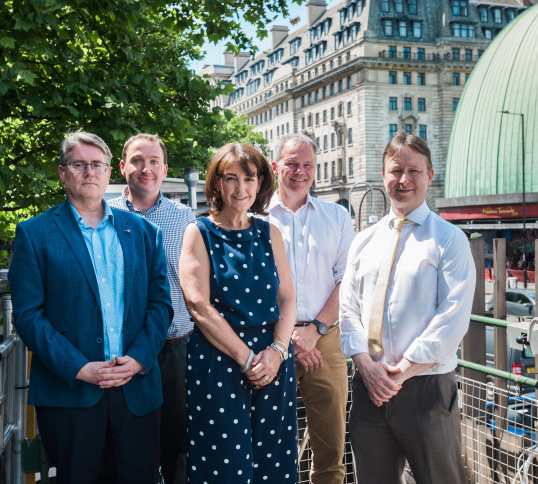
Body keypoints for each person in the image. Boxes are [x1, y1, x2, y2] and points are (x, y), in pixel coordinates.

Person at [9, 131, 173, 483]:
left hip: (136, 391)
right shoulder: (34, 234)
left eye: (97, 165)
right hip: (71, 393)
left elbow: (160, 305)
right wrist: (79, 367)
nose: (89, 172)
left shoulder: (144, 232)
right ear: (62, 172)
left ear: (110, 171)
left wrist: (141, 359)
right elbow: (27, 316)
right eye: (79, 164)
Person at [339, 132, 476, 484]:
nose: (404, 180)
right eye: (395, 170)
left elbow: (453, 317)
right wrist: (366, 367)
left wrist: (401, 372)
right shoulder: (363, 241)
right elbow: (348, 310)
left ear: (429, 176)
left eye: (413, 171)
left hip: (426, 389)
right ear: (383, 175)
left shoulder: (449, 240)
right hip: (368, 386)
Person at [179, 143, 298, 483]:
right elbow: (199, 306)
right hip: (219, 362)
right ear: (217, 183)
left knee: (274, 463)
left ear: (260, 183)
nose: (241, 188)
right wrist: (247, 359)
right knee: (224, 466)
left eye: (249, 178)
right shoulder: (198, 232)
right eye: (231, 178)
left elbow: (288, 299)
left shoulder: (269, 231)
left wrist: (276, 352)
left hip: (273, 362)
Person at [266, 134, 354, 484]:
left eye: (307, 165)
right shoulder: (256, 216)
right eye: (291, 163)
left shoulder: (336, 216)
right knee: (270, 441)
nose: (299, 171)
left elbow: (347, 280)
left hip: (325, 339)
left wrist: (314, 331)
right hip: (270, 340)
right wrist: (287, 338)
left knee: (330, 447)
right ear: (276, 167)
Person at [108, 133, 195, 484]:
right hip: (123, 351)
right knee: (125, 443)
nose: (146, 169)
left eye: (154, 161)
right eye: (138, 161)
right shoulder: (103, 214)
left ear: (165, 168)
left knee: (178, 442)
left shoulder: (184, 216)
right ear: (123, 166)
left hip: (176, 348)